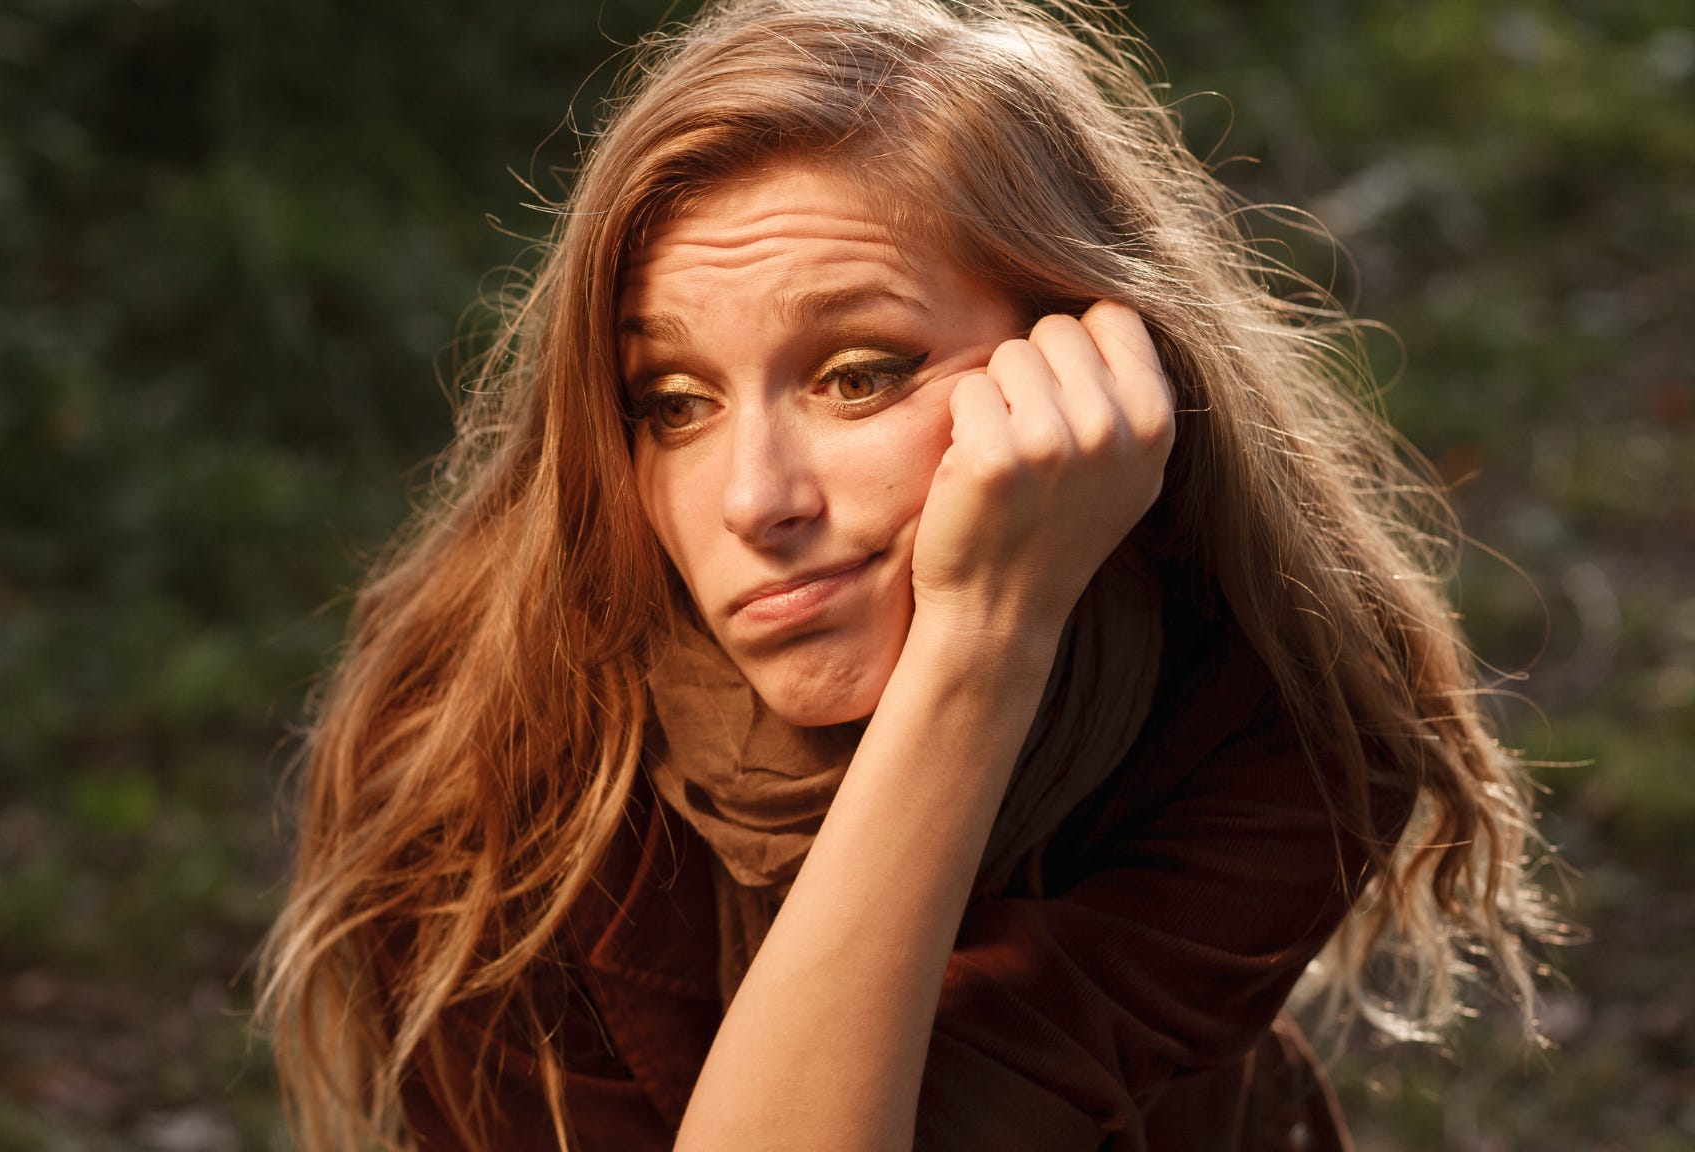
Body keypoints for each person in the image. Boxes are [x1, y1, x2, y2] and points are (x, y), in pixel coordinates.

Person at [259, 1, 1556, 1148]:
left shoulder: (1265, 696)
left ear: (1090, 370)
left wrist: (981, 641)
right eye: (673, 401)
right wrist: (983, 642)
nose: (757, 500)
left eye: (857, 375)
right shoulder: (483, 775)